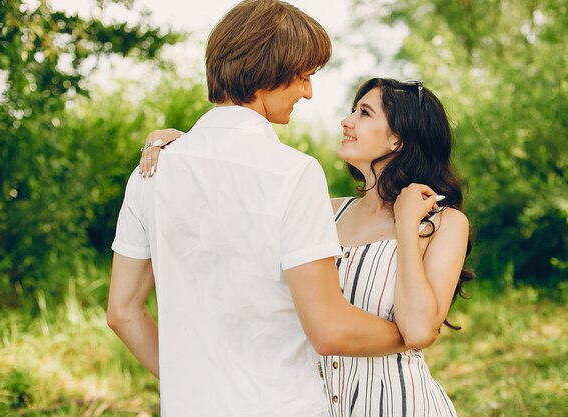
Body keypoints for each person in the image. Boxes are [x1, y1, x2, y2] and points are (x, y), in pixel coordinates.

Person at [107, 2, 408, 417]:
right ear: (269, 73)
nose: (308, 92)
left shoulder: (151, 171)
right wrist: (408, 334)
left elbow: (122, 313)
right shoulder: (295, 173)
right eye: (304, 77)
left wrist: (190, 387)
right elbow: (328, 329)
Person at [143, 78, 473, 416]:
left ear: (397, 138)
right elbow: (237, 199)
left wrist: (405, 224)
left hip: (399, 404)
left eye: (364, 113)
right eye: (352, 111)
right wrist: (187, 150)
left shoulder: (443, 224)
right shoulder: (324, 210)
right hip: (311, 405)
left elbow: (418, 329)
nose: (347, 120)